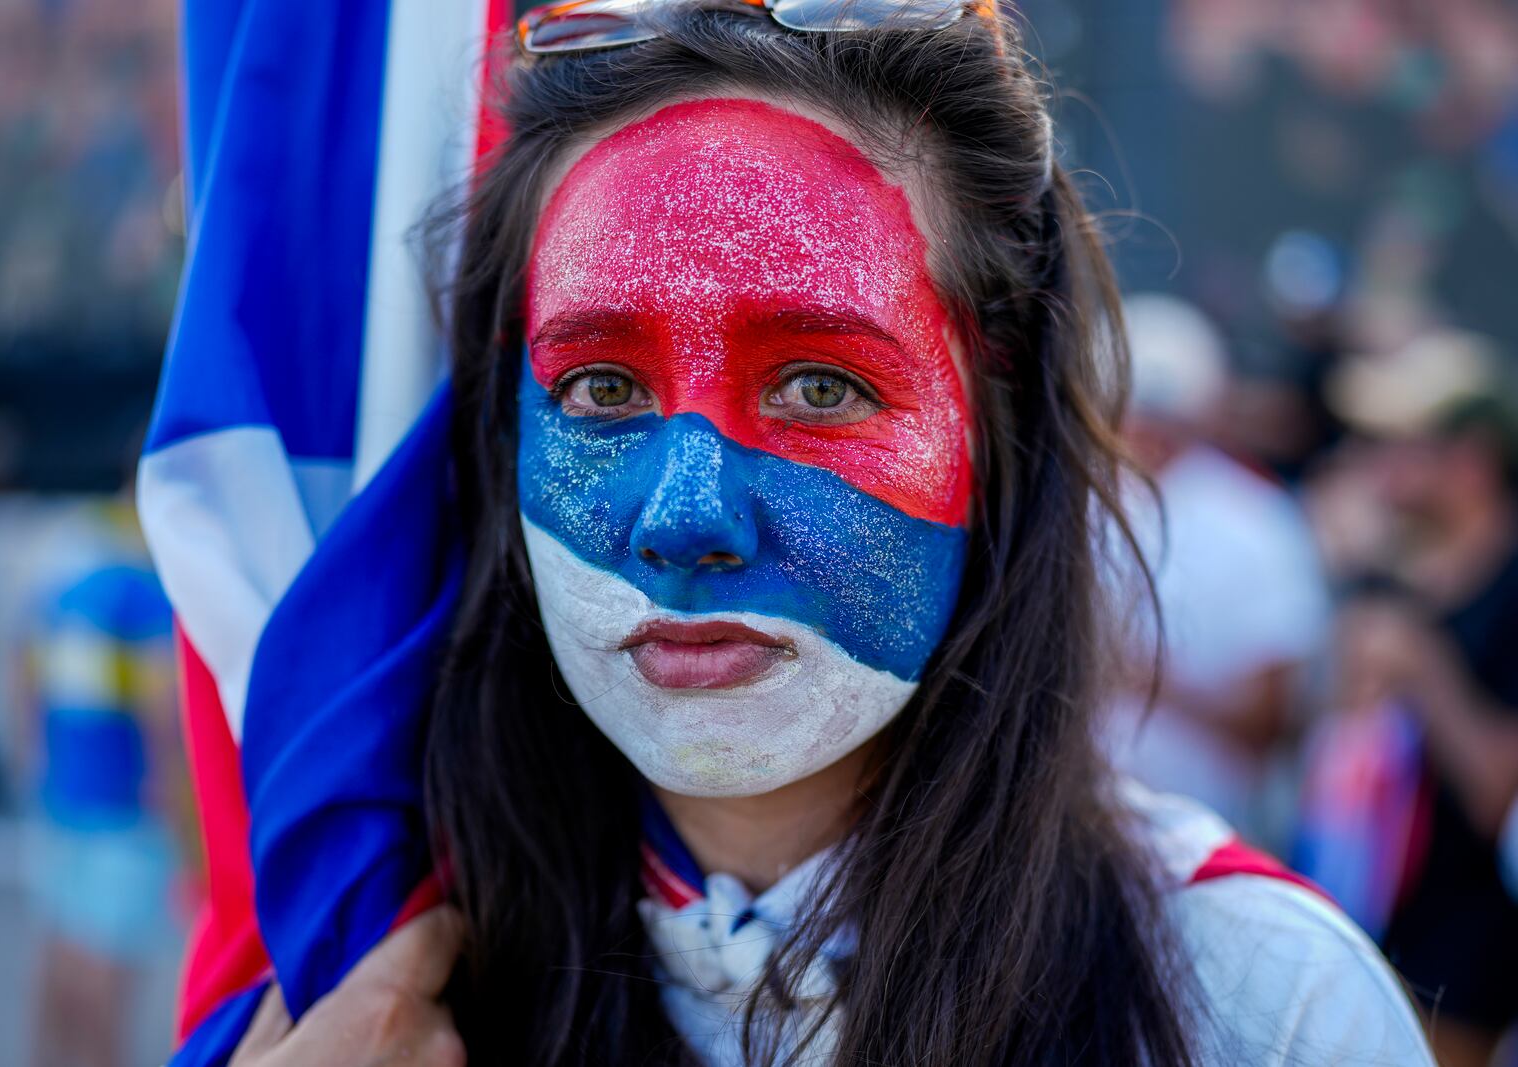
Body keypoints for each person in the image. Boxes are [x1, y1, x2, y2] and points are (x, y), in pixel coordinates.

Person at [227, 4, 1430, 1065]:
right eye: (600, 387)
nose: (685, 513)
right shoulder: (364, 1007)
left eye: (817, 385)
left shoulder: (1265, 1009)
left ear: (994, 427)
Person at [1324, 331, 1518, 1067]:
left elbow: (1502, 798)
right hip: (1364, 937)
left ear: (1469, 461)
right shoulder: (1387, 573)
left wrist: (1424, 668)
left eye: (1397, 441)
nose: (1373, 462)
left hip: (1469, 972)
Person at [1103, 293, 1329, 842]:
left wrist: (1145, 677)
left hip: (1200, 837)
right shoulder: (1068, 495)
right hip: (1056, 822)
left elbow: (1274, 722)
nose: (1147, 432)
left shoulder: (1259, 521)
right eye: (1137, 410)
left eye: (1165, 415)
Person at [18, 496, 188, 1067]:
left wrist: (35, 755)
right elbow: (160, 705)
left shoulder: (70, 569)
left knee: (63, 947)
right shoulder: (141, 584)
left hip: (67, 790)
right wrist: (171, 788)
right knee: (109, 968)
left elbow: (20, 661)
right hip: (125, 800)